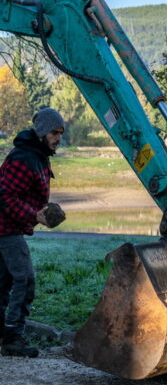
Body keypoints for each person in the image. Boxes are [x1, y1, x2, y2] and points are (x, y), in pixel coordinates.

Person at [0, 107, 67, 357]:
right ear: (41, 132)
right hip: (5, 229)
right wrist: (35, 215)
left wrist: (42, 210)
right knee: (24, 279)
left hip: (9, 227)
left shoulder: (38, 155)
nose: (58, 137)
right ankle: (13, 339)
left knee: (4, 282)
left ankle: (4, 335)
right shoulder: (23, 157)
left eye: (60, 132)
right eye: (54, 132)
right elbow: (5, 196)